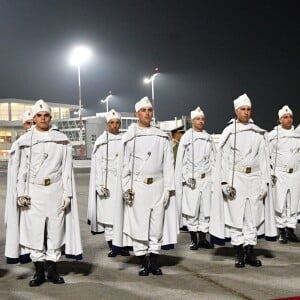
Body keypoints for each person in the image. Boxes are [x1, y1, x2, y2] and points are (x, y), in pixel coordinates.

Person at [5, 99, 82, 287]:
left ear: (50, 117)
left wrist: (67, 194)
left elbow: (66, 170)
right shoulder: (24, 141)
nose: (42, 118)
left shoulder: (61, 139)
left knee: (55, 232)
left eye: (46, 115)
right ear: (34, 118)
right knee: (35, 232)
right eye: (39, 116)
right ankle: (39, 272)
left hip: (55, 190)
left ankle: (53, 270)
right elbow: (21, 170)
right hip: (34, 191)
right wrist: (21, 193)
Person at [209, 93, 277, 268]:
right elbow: (223, 160)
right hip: (236, 179)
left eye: (248, 109)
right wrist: (224, 182)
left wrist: (265, 182)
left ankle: (250, 252)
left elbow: (263, 159)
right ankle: (238, 252)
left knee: (252, 219)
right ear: (236, 111)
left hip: (254, 178)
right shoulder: (230, 132)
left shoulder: (258, 133)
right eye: (243, 109)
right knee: (236, 218)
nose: (246, 112)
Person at [113, 96, 178, 276]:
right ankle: (143, 262)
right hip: (138, 188)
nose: (147, 114)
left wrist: (167, 189)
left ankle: (154, 262)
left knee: (156, 227)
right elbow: (124, 167)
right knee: (139, 227)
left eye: (149, 110)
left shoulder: (161, 136)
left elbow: (167, 164)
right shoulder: (129, 137)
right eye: (143, 110)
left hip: (157, 186)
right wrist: (126, 188)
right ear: (136, 114)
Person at [87, 109, 129, 257]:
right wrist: (99, 186)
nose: (115, 125)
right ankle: (112, 246)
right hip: (107, 185)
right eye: (112, 123)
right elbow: (97, 166)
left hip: (122, 183)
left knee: (122, 216)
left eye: (117, 122)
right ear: (107, 124)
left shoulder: (126, 140)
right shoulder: (101, 142)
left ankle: (123, 246)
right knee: (109, 218)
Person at [175, 107, 215, 250]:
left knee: (206, 210)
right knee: (192, 211)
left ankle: (203, 238)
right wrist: (186, 177)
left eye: (202, 119)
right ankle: (193, 239)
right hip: (192, 180)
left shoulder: (208, 137)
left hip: (206, 179)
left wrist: (214, 178)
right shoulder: (186, 137)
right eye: (198, 119)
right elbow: (182, 160)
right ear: (192, 121)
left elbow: (213, 160)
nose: (200, 121)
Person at [268, 105, 300, 243]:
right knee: (279, 203)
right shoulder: (273, 136)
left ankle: (290, 230)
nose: (289, 119)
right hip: (279, 174)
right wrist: (270, 173)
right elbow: (266, 156)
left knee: (293, 202)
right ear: (280, 120)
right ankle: (281, 231)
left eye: (290, 117)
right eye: (285, 117)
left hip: (295, 173)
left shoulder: (297, 135)